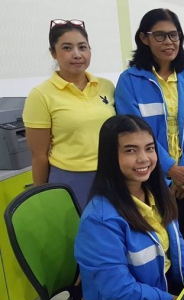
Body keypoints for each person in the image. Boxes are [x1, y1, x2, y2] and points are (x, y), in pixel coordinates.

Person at [75, 115, 184, 300]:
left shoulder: (158, 194)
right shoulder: (100, 221)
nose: (144, 158)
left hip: (163, 292)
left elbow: (178, 246)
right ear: (110, 156)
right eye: (130, 150)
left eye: (149, 148)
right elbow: (120, 292)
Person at [115, 8, 184, 261]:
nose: (169, 42)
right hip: (150, 174)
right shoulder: (130, 81)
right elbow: (134, 132)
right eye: (160, 36)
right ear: (144, 38)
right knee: (157, 238)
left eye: (174, 35)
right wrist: (169, 169)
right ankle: (169, 295)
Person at [22, 19, 115, 210]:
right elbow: (39, 155)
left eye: (82, 47)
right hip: (70, 179)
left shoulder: (107, 86)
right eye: (67, 48)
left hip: (111, 175)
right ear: (53, 53)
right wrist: (41, 196)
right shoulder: (40, 95)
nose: (77, 54)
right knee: (76, 236)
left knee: (113, 234)